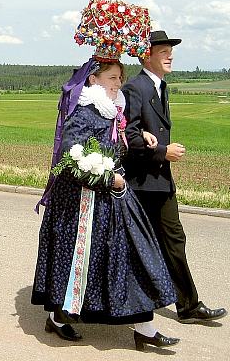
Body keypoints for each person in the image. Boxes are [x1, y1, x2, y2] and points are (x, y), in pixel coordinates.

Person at [32, 57, 179, 350]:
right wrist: (107, 180)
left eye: (120, 79)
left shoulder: (112, 113)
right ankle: (59, 317)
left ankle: (144, 327)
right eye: (112, 78)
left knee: (132, 257)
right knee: (85, 263)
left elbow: (116, 148)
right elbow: (71, 158)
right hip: (82, 205)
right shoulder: (84, 113)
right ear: (93, 81)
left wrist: (140, 136)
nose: (118, 84)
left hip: (112, 199)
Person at [122, 30, 227, 324]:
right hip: (142, 184)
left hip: (161, 183)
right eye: (163, 51)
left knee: (173, 240)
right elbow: (127, 137)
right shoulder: (135, 88)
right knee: (139, 246)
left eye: (171, 51)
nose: (170, 56)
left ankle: (188, 306)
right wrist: (163, 152)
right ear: (147, 55)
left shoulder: (161, 87)